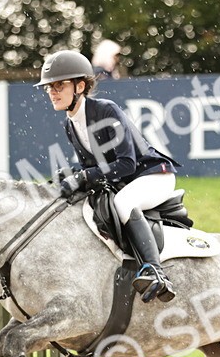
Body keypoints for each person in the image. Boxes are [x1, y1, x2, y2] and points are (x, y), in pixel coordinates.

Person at [36, 50, 180, 302]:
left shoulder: (105, 110)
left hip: (153, 175)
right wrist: (73, 174)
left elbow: (125, 163)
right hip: (127, 180)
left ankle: (155, 271)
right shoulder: (70, 123)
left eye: (59, 85)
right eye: (49, 87)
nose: (52, 92)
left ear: (80, 86)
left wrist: (82, 177)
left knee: (123, 203)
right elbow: (93, 166)